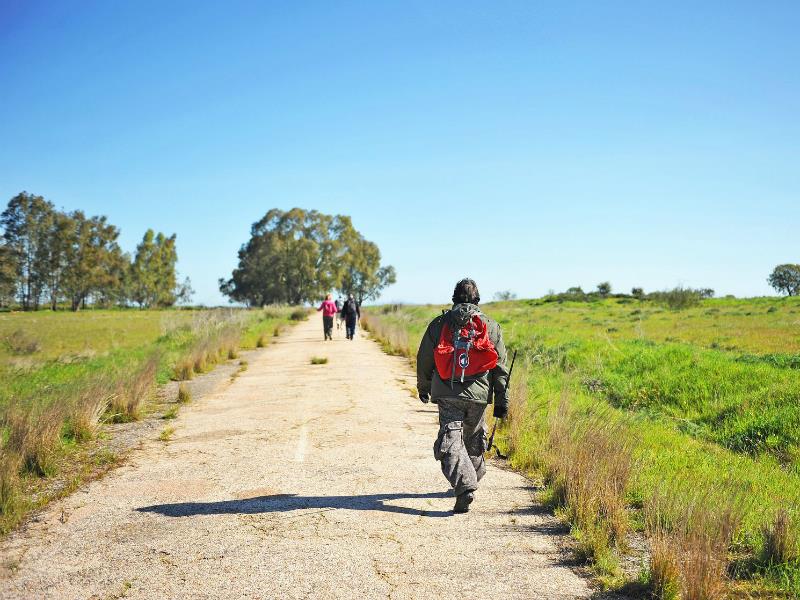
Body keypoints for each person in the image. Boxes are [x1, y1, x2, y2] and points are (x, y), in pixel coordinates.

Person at [416, 278, 509, 514]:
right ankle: (473, 477)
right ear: (477, 300)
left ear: (454, 298)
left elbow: (424, 358)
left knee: (451, 439)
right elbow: (500, 368)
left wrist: (424, 387)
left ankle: (465, 486)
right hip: (478, 395)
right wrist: (501, 401)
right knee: (474, 437)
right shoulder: (491, 325)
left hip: (447, 392)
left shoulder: (439, 324)